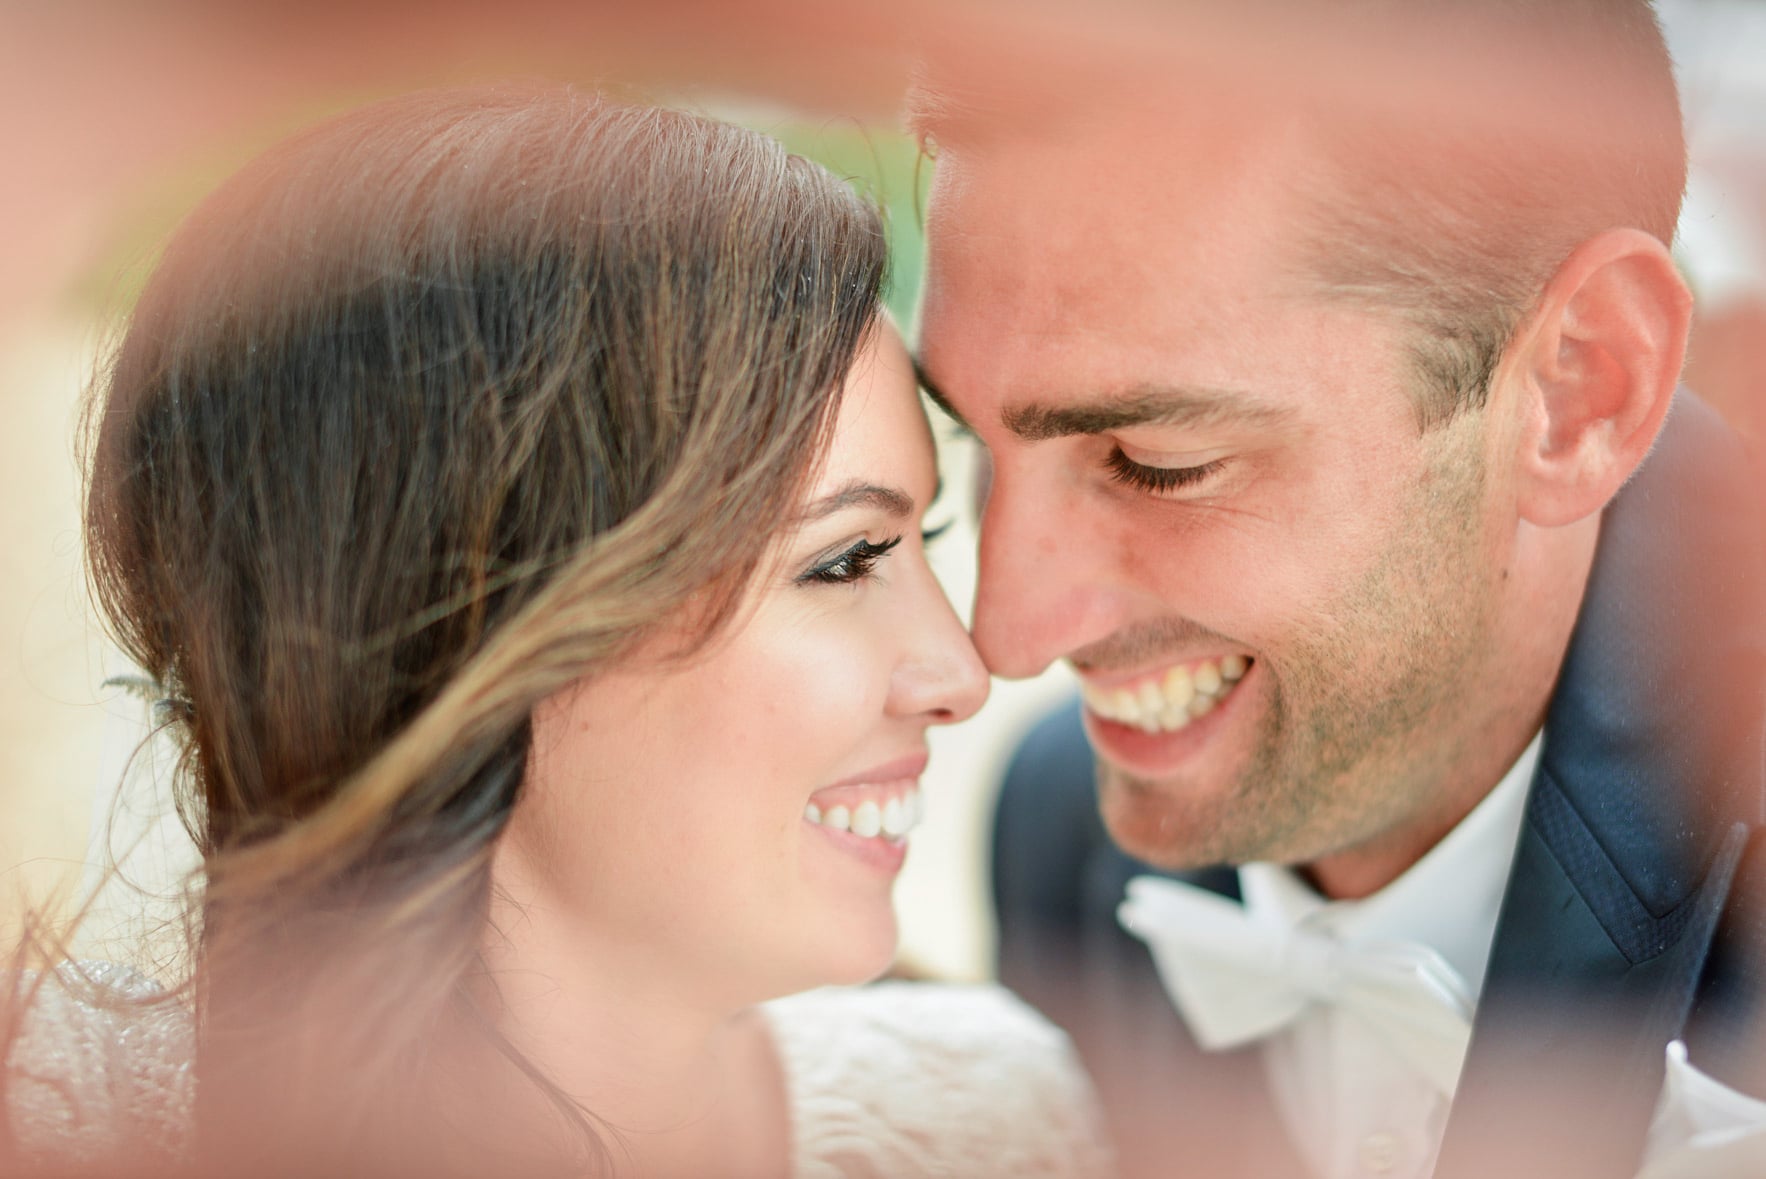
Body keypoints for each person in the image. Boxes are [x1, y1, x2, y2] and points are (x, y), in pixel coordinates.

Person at [1, 84, 1111, 1178]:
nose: (963, 672)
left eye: (925, 540)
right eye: (842, 561)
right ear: (472, 615)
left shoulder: (997, 1128)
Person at [911, 3, 1766, 1178]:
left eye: (1157, 462)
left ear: (1578, 390)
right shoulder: (1054, 827)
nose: (1000, 639)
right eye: (971, 450)